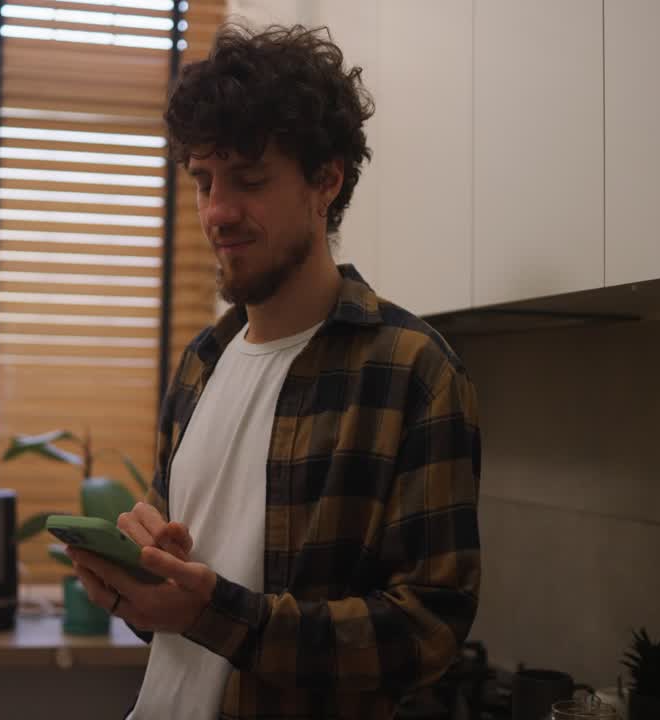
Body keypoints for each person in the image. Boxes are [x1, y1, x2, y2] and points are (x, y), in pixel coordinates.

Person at [66, 24, 481, 720]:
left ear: (326, 181)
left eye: (250, 180)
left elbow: (427, 632)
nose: (217, 212)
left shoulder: (413, 371)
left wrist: (213, 612)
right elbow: (174, 616)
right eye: (204, 182)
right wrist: (136, 584)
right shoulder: (201, 364)